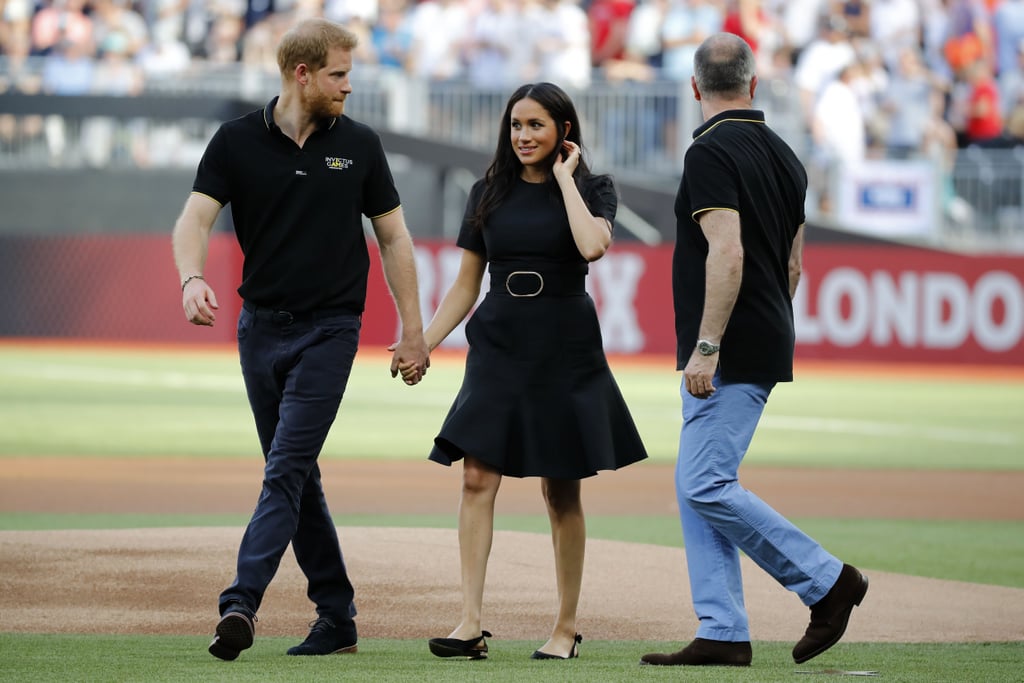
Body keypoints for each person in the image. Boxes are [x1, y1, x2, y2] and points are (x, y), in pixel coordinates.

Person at [171, 17, 429, 661]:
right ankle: (337, 615)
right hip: (257, 330)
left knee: (284, 468)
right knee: (296, 473)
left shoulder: (361, 145)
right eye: (340, 74)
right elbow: (194, 218)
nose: (350, 86)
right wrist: (190, 278)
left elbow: (394, 237)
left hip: (332, 329)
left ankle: (240, 605)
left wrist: (413, 329)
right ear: (302, 73)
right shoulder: (233, 142)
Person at [640, 33, 868, 668]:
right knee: (697, 486)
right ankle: (722, 630)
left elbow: (728, 250)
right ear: (753, 85)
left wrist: (708, 345)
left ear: (694, 88)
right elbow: (794, 266)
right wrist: (767, 325)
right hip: (765, 332)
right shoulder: (787, 155)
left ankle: (828, 582)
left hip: (729, 344)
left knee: (706, 484)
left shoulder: (708, 151)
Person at [409, 81, 648, 662]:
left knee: (560, 490)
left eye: (536, 125)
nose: (522, 136)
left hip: (564, 346)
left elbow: (592, 246)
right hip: (499, 342)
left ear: (564, 131)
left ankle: (565, 627)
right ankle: (469, 623)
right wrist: (423, 343)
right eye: (516, 125)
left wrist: (567, 179)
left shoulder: (594, 188)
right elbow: (466, 284)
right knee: (475, 478)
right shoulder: (487, 190)